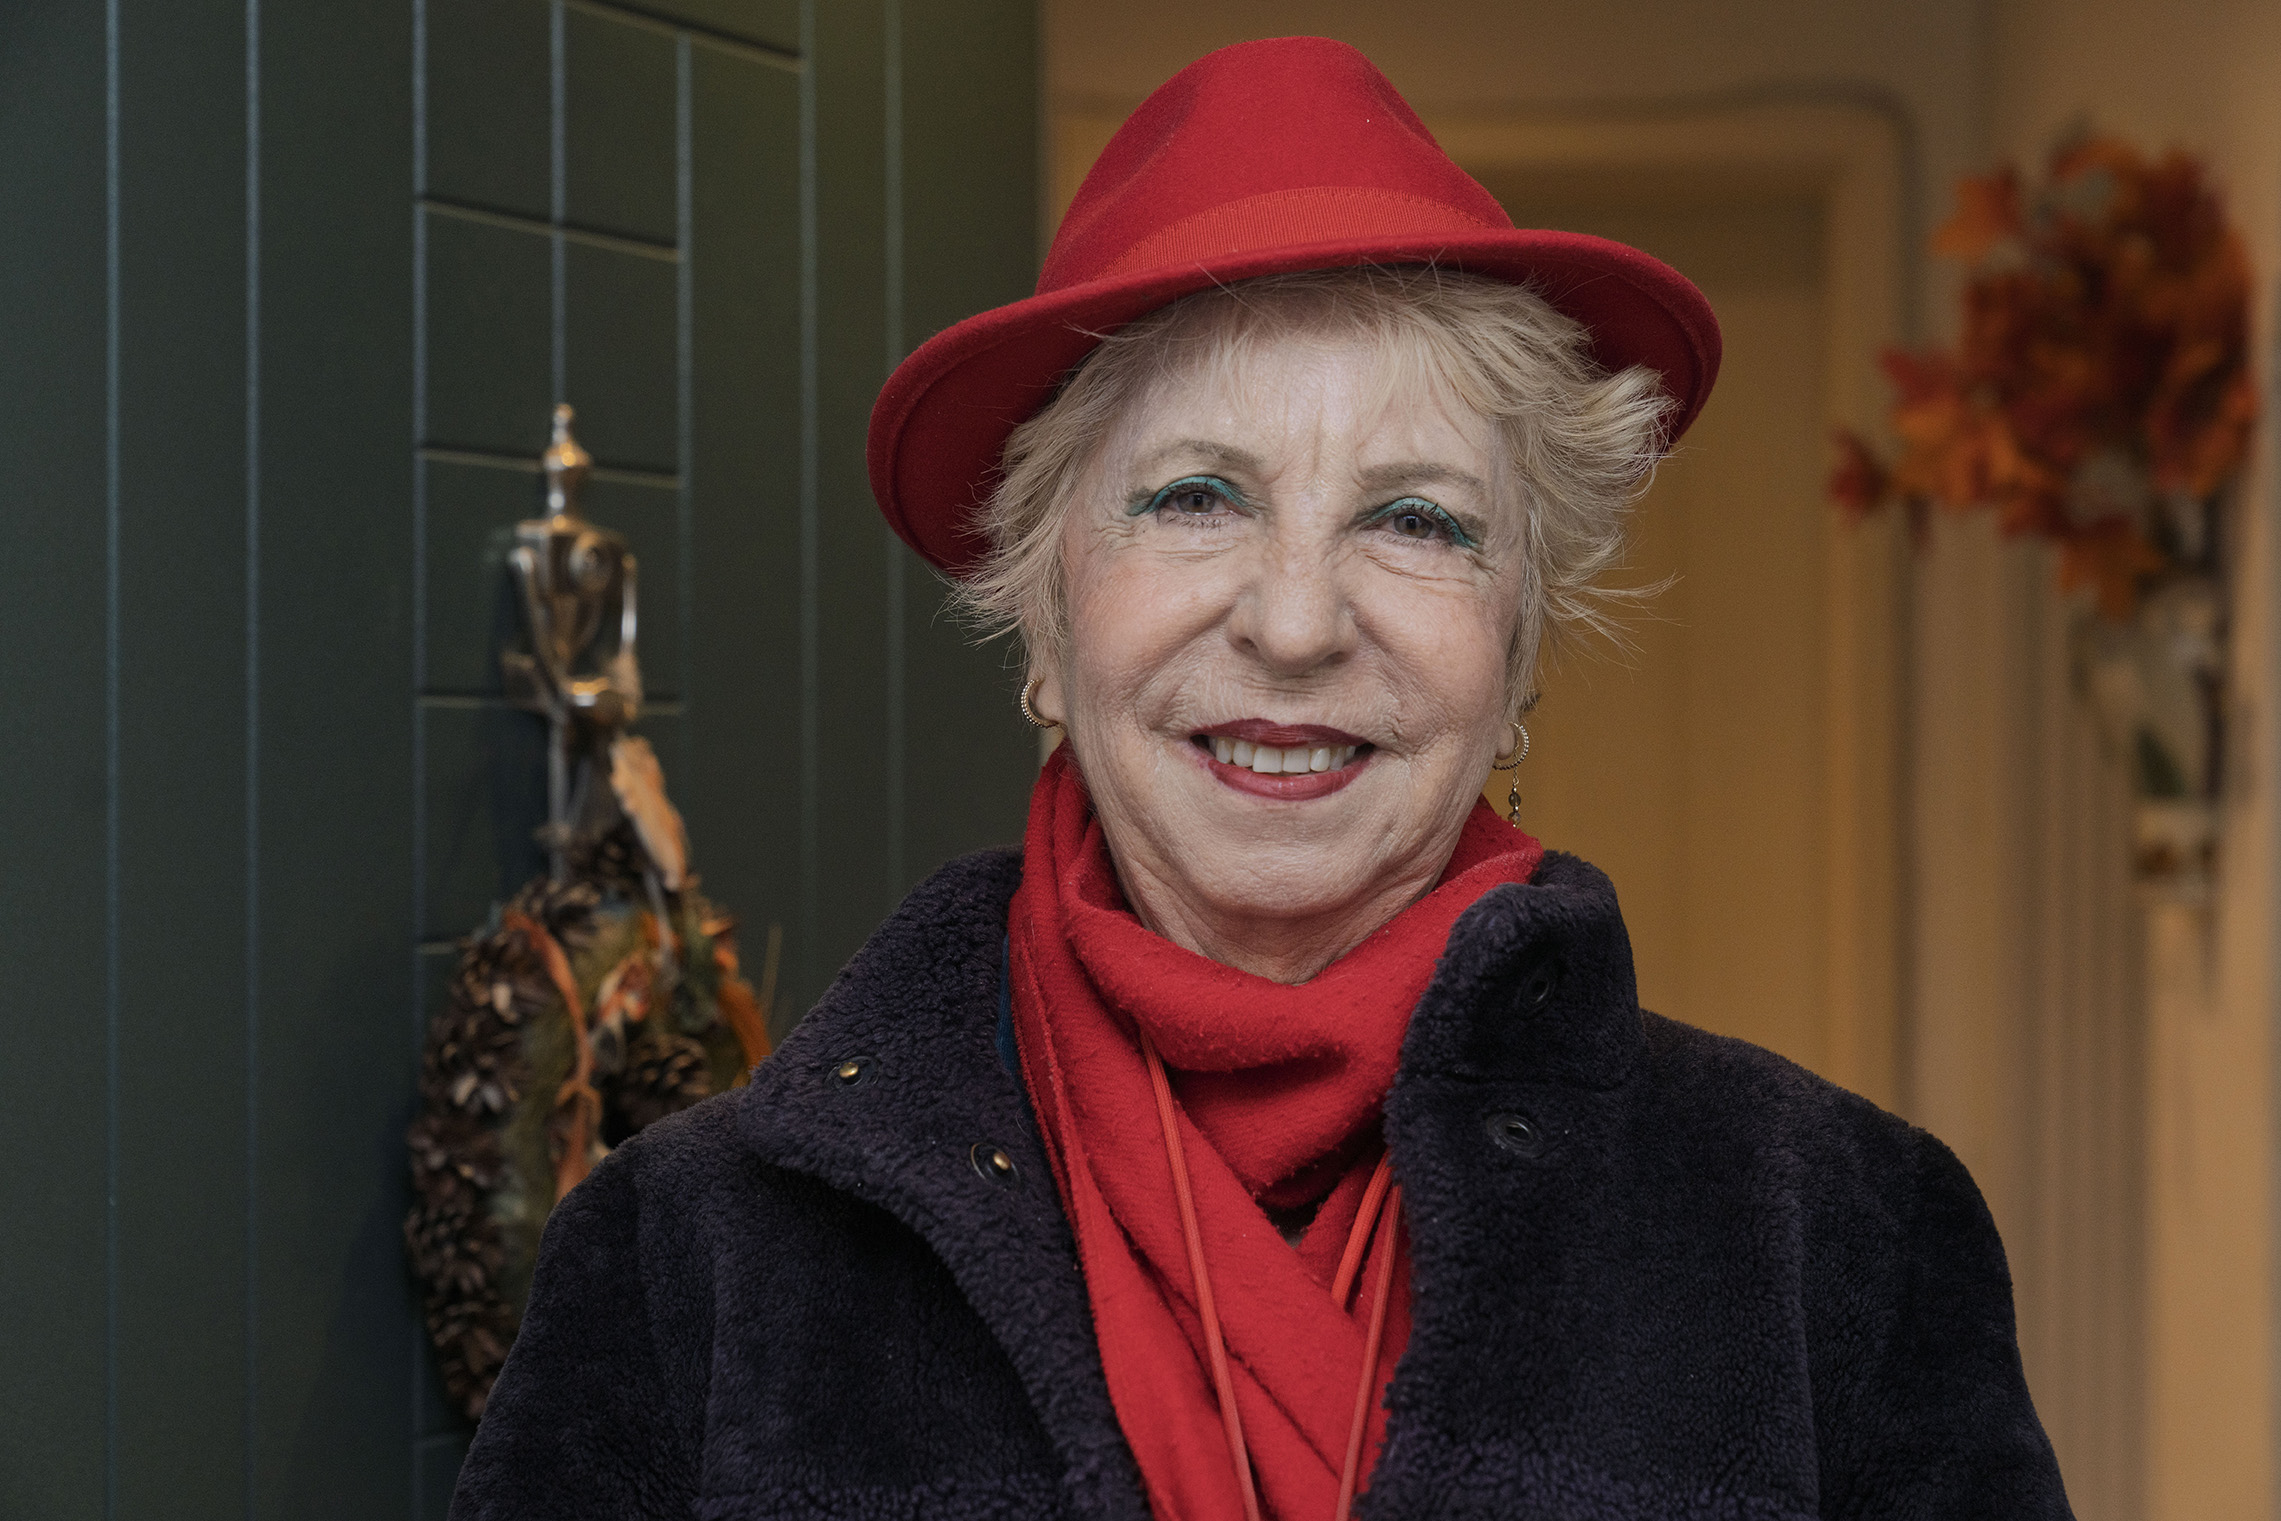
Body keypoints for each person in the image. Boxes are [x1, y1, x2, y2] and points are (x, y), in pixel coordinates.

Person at [450, 36, 2071, 1521]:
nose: (1295, 624)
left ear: (1515, 649)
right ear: (1043, 622)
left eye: (1414, 518)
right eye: (1193, 498)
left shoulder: (1832, 1239)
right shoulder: (694, 1256)